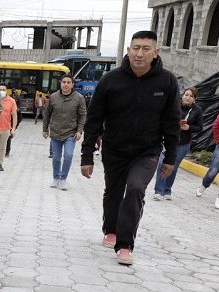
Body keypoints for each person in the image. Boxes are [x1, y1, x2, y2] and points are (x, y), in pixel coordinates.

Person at [81, 31, 180, 266]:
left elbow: (172, 121)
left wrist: (171, 157)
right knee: (113, 192)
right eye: (135, 48)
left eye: (146, 49)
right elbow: (94, 120)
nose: (139, 53)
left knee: (135, 189)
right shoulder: (110, 80)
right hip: (114, 149)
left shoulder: (167, 81)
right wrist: (87, 156)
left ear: (156, 53)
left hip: (147, 151)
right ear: (128, 50)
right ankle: (111, 228)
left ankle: (125, 245)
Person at [152, 87, 203, 200]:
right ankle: (158, 190)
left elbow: (199, 127)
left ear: (195, 99)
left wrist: (188, 127)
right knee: (162, 164)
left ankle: (167, 190)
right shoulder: (173, 106)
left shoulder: (197, 110)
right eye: (186, 94)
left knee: (173, 167)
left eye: (191, 96)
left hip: (183, 143)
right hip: (168, 141)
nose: (187, 97)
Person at [43, 74, 87, 190]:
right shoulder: (53, 97)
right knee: (56, 157)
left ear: (72, 84)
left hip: (71, 133)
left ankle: (63, 179)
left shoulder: (79, 98)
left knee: (68, 155)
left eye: (68, 82)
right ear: (60, 83)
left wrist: (79, 131)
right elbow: (47, 114)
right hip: (55, 132)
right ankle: (56, 178)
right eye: (64, 82)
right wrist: (44, 129)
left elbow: (83, 115)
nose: (66, 84)